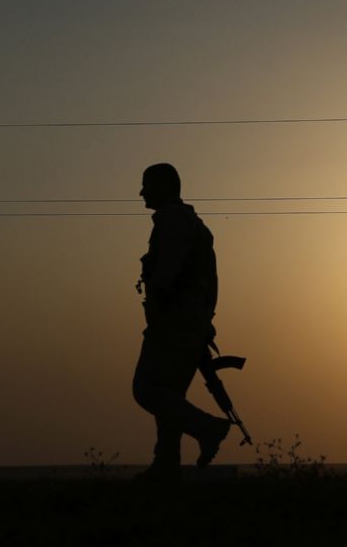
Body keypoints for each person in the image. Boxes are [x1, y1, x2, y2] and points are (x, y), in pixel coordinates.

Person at [132, 163, 230, 481]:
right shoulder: (194, 225)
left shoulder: (174, 222)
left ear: (164, 186)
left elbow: (166, 275)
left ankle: (208, 429)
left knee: (147, 390)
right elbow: (211, 283)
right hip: (191, 323)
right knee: (169, 394)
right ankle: (166, 465)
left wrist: (161, 312)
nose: (142, 192)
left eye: (147, 185)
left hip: (174, 322)